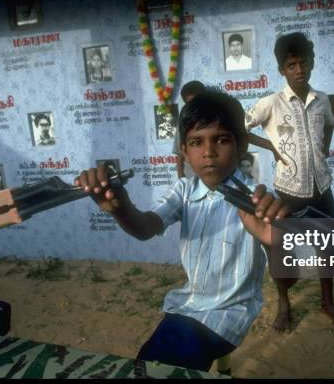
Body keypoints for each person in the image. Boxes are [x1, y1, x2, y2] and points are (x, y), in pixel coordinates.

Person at [75, 90, 291, 372]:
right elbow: (146, 227)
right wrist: (119, 207)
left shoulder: (257, 200)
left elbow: (288, 271)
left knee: (158, 363)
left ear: (240, 147)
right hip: (187, 306)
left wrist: (275, 242)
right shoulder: (184, 191)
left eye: (221, 140)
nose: (208, 152)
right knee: (151, 359)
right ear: (185, 153)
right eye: (196, 142)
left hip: (229, 313)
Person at [245, 32, 334, 332]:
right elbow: (240, 128)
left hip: (322, 189)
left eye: (303, 63)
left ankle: (327, 303)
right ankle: (284, 304)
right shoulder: (271, 103)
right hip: (289, 192)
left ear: (312, 63)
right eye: (291, 65)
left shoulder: (322, 101)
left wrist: (323, 151)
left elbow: (329, 126)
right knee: (282, 252)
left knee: (328, 247)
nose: (299, 70)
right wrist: (270, 147)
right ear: (282, 69)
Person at [173, 81, 206, 178]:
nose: (196, 105)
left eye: (198, 101)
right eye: (191, 103)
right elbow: (180, 154)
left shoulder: (219, 120)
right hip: (192, 179)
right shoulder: (184, 124)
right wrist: (180, 177)